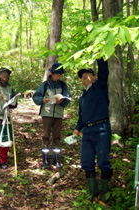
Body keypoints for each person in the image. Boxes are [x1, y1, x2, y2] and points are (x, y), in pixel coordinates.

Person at [73, 58, 113, 206]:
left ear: (94, 77)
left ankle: (106, 193)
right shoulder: (82, 97)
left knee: (103, 161)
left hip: (101, 129)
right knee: (86, 162)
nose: (84, 76)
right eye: (82, 76)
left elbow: (104, 72)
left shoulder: (100, 87)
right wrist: (77, 129)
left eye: (88, 74)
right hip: (87, 132)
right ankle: (94, 192)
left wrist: (100, 56)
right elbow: (81, 116)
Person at [33, 63, 70, 169]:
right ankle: (45, 159)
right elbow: (36, 97)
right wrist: (42, 100)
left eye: (60, 75)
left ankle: (56, 158)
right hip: (47, 113)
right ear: (51, 73)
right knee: (46, 136)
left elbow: (67, 98)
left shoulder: (63, 85)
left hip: (58, 114)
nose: (58, 76)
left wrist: (62, 101)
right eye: (56, 74)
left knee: (57, 137)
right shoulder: (44, 85)